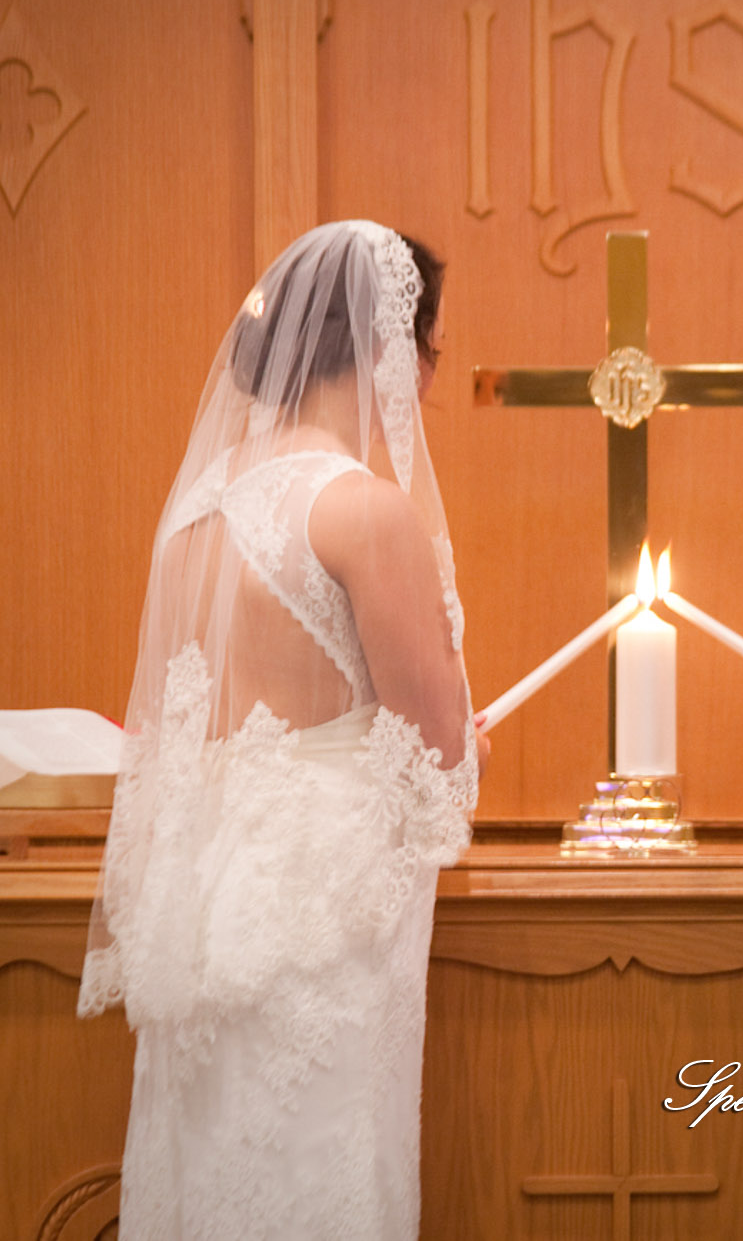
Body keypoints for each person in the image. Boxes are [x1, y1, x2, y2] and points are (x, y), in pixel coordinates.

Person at [79, 221, 483, 1239]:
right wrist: (470, 744)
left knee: (213, 1172)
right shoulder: (362, 511)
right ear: (394, 345)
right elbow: (437, 757)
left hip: (207, 911)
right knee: (318, 1172)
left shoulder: (197, 511)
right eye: (433, 350)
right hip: (325, 918)